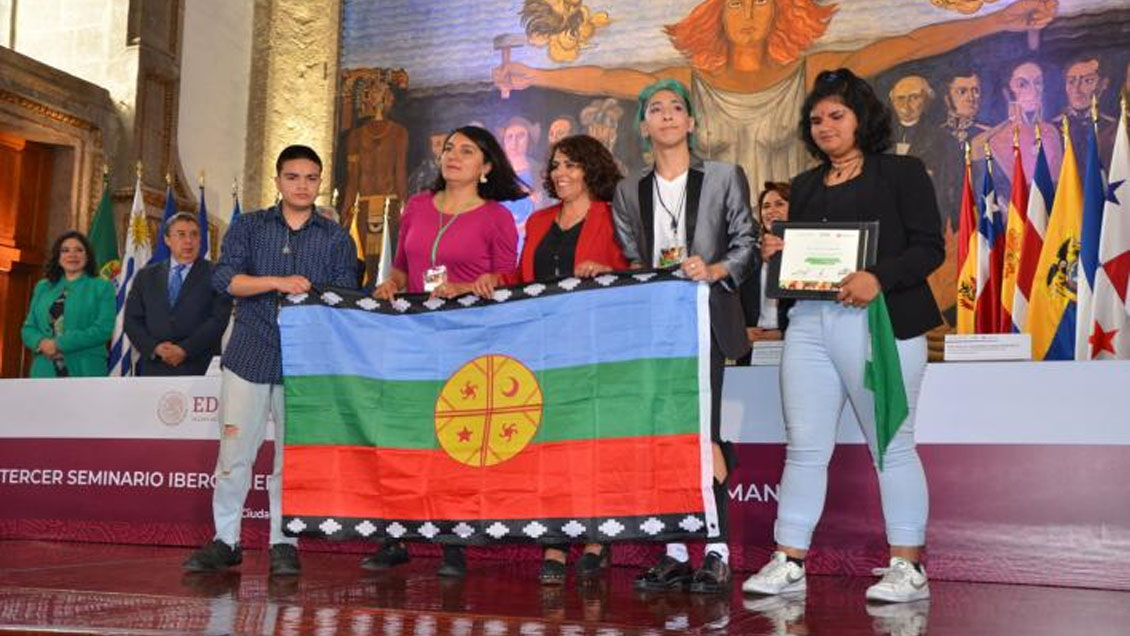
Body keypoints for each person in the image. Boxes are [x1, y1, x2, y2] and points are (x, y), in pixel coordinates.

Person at [494, 0, 1057, 203]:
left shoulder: (810, 71)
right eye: (735, 4)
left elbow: (904, 45)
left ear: (782, 11)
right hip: (715, 238)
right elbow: (611, 77)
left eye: (760, 3)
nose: (747, 15)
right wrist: (533, 72)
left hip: (801, 228)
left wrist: (1003, 16)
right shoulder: (686, 80)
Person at [741, 69, 944, 604]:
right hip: (809, 324)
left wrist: (877, 276)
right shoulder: (804, 185)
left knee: (892, 446)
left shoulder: (900, 172)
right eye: (816, 120)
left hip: (881, 322)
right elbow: (810, 257)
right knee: (804, 449)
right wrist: (780, 259)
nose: (825, 127)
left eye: (836, 116)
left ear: (862, 119)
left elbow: (930, 248)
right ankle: (789, 559)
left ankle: (909, 568)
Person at [182, 145, 358, 576]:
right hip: (249, 352)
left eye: (311, 178)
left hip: (307, 362)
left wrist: (314, 294)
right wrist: (276, 282)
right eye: (293, 176)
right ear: (278, 180)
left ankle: (284, 541)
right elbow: (225, 280)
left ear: (320, 183)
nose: (302, 185)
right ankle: (226, 539)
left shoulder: (335, 237)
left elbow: (347, 296)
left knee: (293, 458)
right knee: (235, 453)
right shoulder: (249, 226)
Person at [613, 79, 756, 595]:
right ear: (644, 126)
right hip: (655, 330)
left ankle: (716, 552)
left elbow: (747, 240)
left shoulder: (722, 176)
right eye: (656, 109)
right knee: (661, 439)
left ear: (692, 123)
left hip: (707, 323)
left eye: (677, 108)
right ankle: (673, 551)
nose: (668, 116)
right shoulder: (628, 190)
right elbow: (631, 260)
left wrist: (715, 268)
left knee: (704, 435)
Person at [367, 125, 525, 578]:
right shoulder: (417, 206)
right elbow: (401, 266)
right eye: (449, 148)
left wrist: (477, 285)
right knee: (404, 436)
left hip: (467, 337)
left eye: (467, 151)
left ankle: (452, 543)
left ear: (486, 166)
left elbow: (508, 278)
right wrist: (392, 283)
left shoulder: (495, 216)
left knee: (451, 440)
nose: (453, 156)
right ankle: (394, 536)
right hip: (413, 336)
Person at [503, 134, 630, 585]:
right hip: (543, 349)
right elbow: (520, 279)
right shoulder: (536, 222)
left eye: (571, 165)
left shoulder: (613, 217)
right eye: (556, 165)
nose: (560, 174)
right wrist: (482, 282)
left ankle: (596, 539)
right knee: (550, 446)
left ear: (592, 170)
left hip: (597, 348)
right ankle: (555, 540)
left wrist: (607, 273)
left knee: (591, 444)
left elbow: (636, 275)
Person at [124, 212, 232, 376]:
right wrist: (156, 348)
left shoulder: (217, 274)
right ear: (167, 240)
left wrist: (184, 350)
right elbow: (132, 320)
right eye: (181, 234)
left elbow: (218, 320)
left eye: (194, 235)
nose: (188, 241)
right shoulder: (146, 276)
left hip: (199, 367)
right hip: (154, 367)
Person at [21, 230, 115, 378]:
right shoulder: (43, 287)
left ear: (87, 256)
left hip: (86, 367)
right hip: (44, 369)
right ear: (58, 257)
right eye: (65, 250)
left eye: (79, 250)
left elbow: (103, 330)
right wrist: (41, 343)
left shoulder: (102, 287)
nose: (72, 255)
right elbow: (28, 328)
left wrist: (59, 344)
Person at [737, 182, 790, 365]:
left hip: (794, 344)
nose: (771, 211)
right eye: (766, 206)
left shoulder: (805, 252)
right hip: (752, 345)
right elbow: (732, 298)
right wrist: (741, 331)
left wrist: (783, 332)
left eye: (780, 204)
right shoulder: (748, 255)